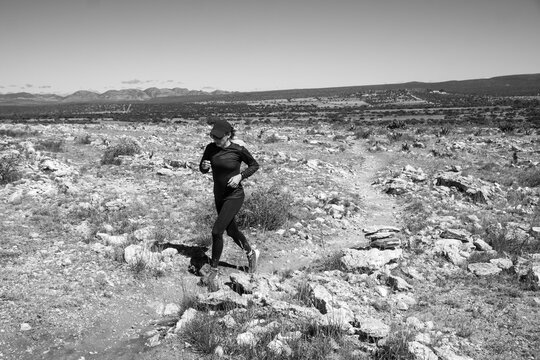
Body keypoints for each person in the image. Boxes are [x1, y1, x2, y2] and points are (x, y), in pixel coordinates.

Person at [199, 120, 260, 291]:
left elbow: (254, 165)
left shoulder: (238, 150)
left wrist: (241, 176)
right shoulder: (210, 149)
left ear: (227, 135)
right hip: (219, 195)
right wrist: (204, 167)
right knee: (231, 231)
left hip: (234, 196)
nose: (215, 140)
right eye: (213, 136)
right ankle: (250, 252)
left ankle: (214, 270)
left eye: (218, 137)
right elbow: (203, 168)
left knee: (216, 231)